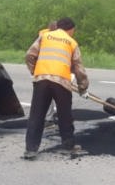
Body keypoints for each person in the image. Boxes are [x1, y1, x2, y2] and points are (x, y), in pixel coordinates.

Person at [23, 17, 90, 159]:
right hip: (61, 82)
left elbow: (29, 55)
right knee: (65, 115)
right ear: (71, 29)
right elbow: (79, 68)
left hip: (41, 80)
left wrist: (35, 72)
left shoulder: (45, 36)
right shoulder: (71, 42)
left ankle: (31, 149)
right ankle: (69, 145)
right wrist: (83, 87)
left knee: (37, 115)